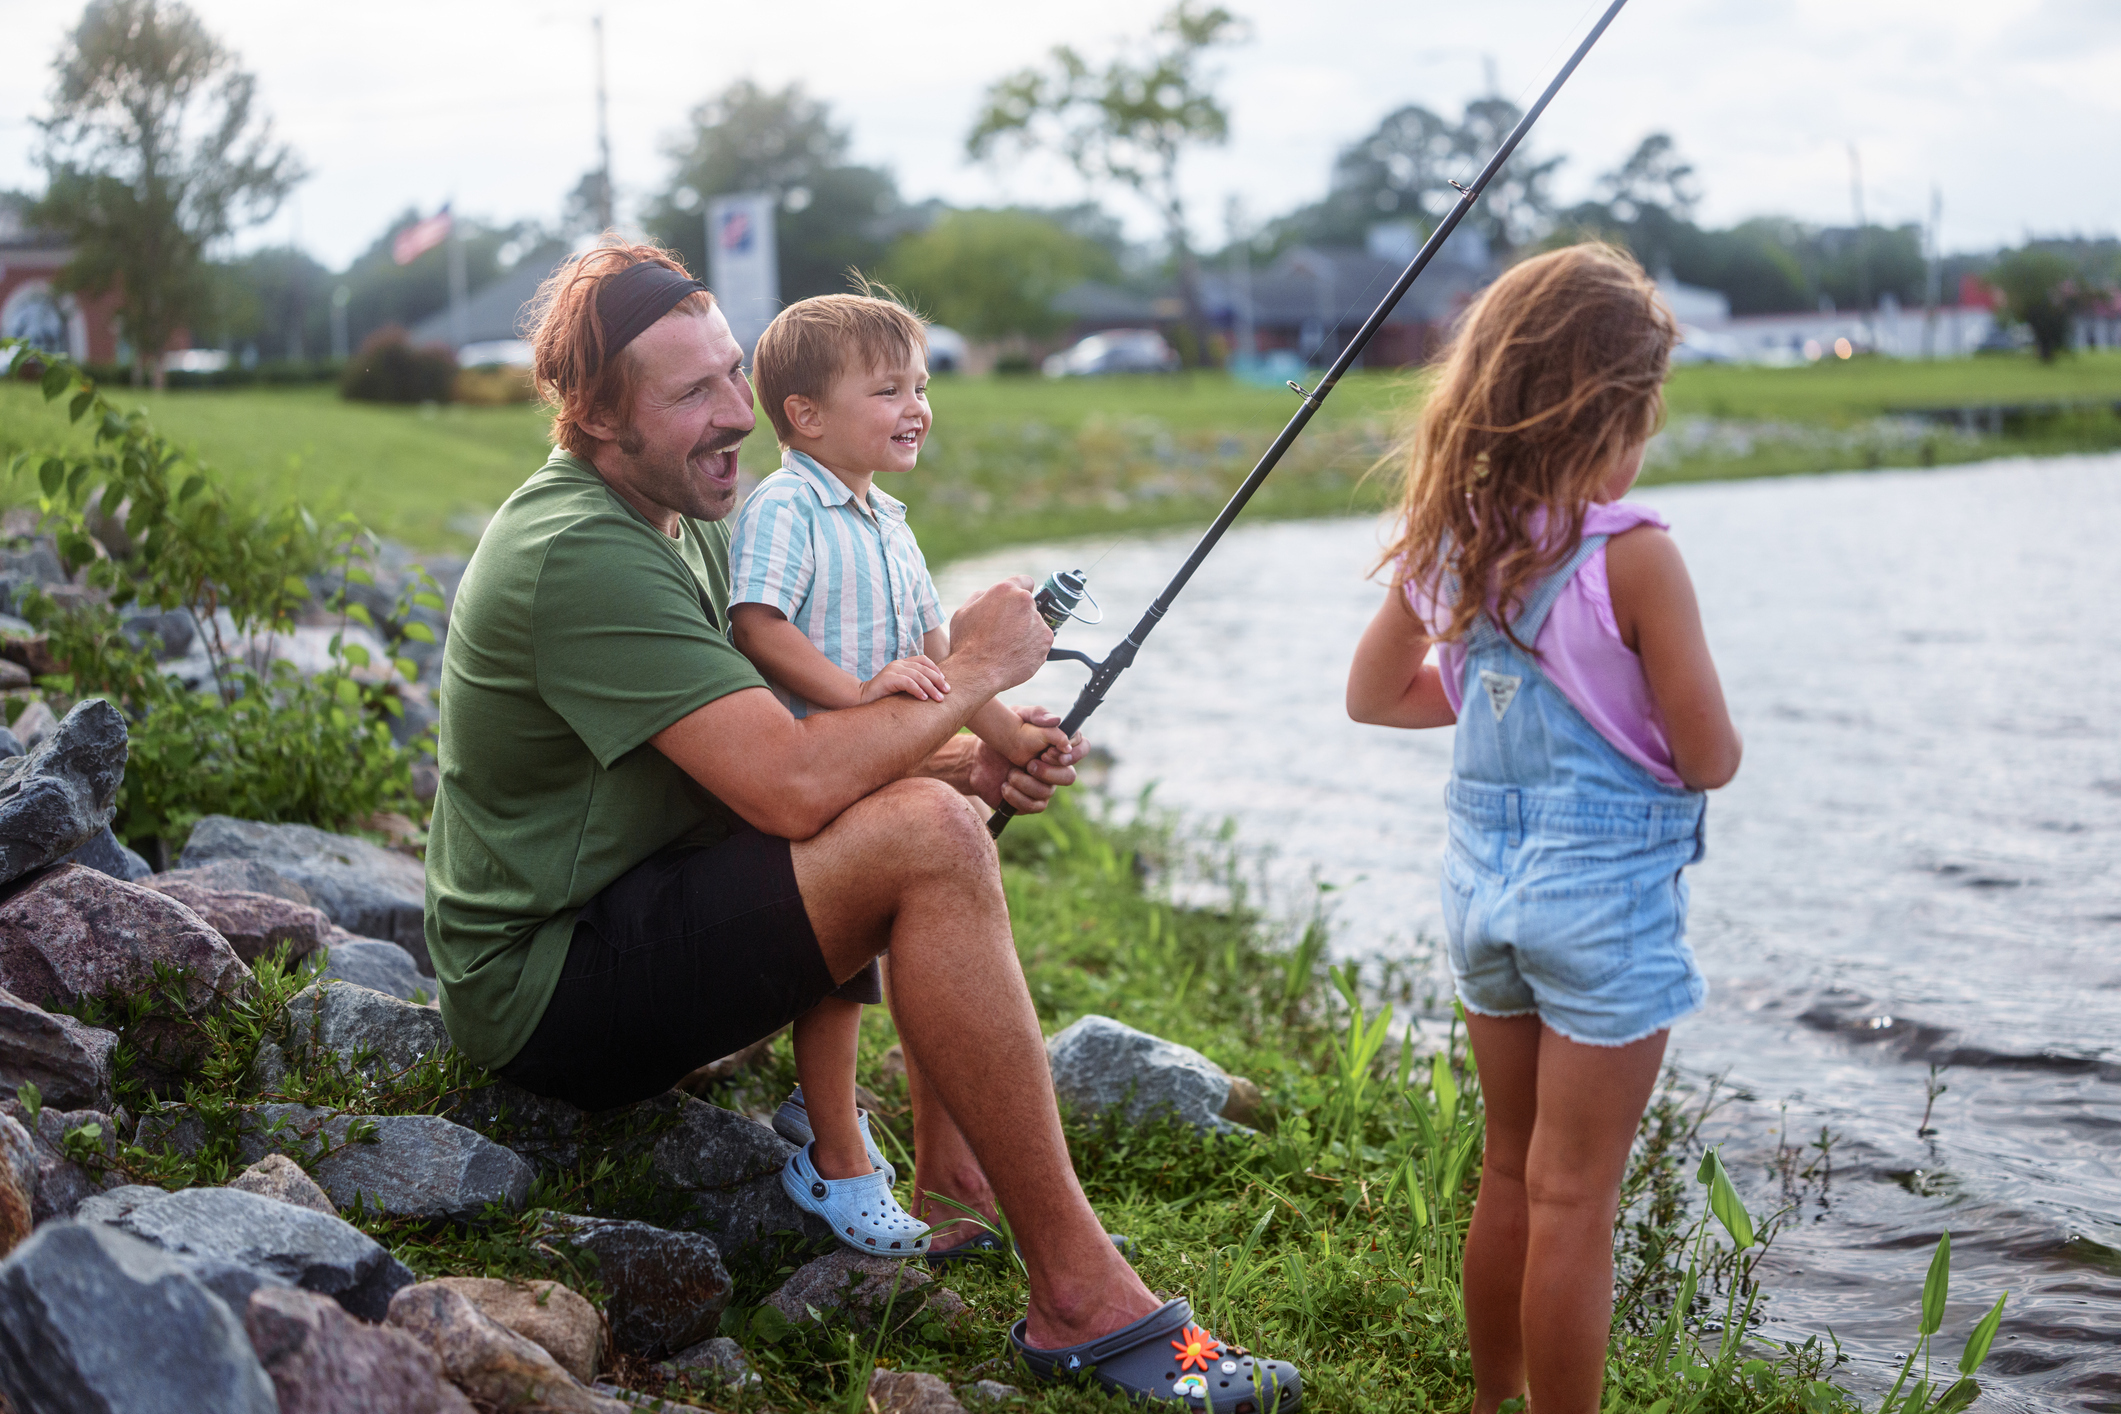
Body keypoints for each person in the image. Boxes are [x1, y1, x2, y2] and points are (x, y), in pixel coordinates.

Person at [423, 238, 1300, 1410]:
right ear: (592, 413)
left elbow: (788, 744)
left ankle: (959, 1186)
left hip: (637, 902)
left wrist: (972, 759)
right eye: (692, 393)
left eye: (733, 372)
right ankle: (1086, 1300)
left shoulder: (680, 513)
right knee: (926, 832)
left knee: (937, 810)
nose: (739, 414)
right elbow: (789, 784)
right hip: (547, 984)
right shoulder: (578, 549)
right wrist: (983, 666)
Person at [1344, 243, 1742, 1414]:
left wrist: (1483, 690)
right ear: (1608, 413)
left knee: (1510, 1170)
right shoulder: (1637, 556)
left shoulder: (1450, 538)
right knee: (1577, 1196)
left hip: (1483, 894)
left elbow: (1378, 695)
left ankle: (1490, 1402)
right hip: (1602, 907)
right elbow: (1709, 754)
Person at [724, 288, 1068, 1256]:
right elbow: (757, 624)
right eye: (887, 390)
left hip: (892, 782)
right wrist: (856, 693)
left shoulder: (890, 523)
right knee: (835, 986)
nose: (917, 405)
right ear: (805, 415)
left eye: (920, 386)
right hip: (821, 784)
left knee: (895, 957)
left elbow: (943, 658)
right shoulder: (787, 507)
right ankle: (834, 1151)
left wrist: (1005, 735)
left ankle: (937, 1162)